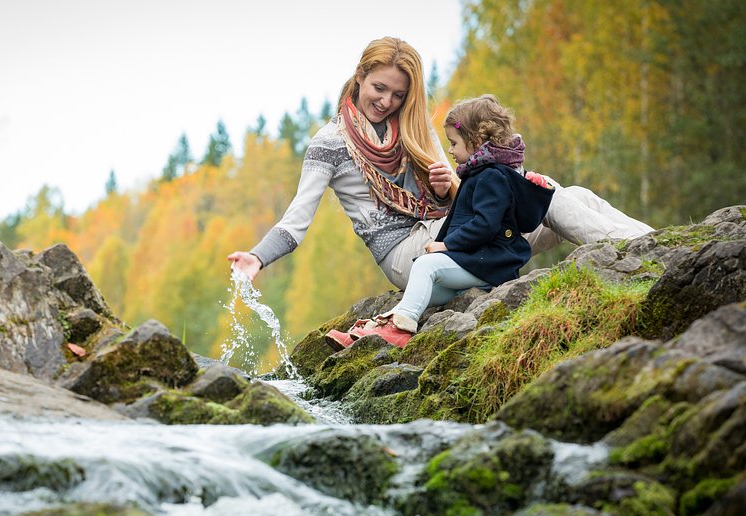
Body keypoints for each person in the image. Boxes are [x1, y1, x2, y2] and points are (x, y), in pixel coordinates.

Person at [226, 37, 652, 317]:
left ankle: (657, 246)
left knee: (566, 193)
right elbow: (296, 220)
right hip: (407, 254)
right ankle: (645, 258)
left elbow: (470, 198)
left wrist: (450, 185)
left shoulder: (415, 127)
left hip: (458, 231)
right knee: (549, 194)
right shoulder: (329, 142)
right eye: (378, 88)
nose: (387, 102)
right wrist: (257, 257)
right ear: (360, 77)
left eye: (398, 94)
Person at [326, 94, 553, 349]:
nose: (450, 151)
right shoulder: (480, 174)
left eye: (454, 143)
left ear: (476, 141)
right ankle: (376, 332)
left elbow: (485, 225)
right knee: (422, 292)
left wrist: (446, 246)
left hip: (491, 262)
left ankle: (400, 329)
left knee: (426, 266)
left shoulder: (491, 177)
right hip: (479, 262)